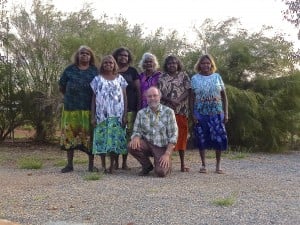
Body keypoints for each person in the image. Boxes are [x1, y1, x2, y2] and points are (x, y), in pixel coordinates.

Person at [59, 45, 98, 173]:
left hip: (88, 109)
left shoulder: (94, 71)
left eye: (87, 53)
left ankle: (91, 165)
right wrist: (70, 97)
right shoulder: (69, 70)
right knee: (69, 136)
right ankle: (69, 164)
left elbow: (98, 90)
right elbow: (62, 86)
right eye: (82, 53)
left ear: (90, 56)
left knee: (89, 137)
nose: (84, 55)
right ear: (78, 55)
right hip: (71, 109)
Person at [190, 54, 228, 174]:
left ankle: (218, 165)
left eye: (208, 63)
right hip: (200, 113)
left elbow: (224, 97)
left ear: (211, 64)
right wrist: (192, 114)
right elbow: (191, 98)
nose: (205, 65)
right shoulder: (194, 78)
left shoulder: (217, 77)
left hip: (216, 112)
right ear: (199, 65)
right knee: (201, 139)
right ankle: (203, 165)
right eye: (203, 63)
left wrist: (226, 113)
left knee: (219, 139)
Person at [128, 86, 178, 177]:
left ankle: (164, 163)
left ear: (159, 97)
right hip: (147, 144)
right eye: (149, 96)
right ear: (146, 98)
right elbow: (136, 130)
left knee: (161, 173)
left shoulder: (169, 112)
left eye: (155, 95)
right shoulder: (141, 113)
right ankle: (147, 166)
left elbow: (174, 136)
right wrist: (135, 137)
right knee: (132, 145)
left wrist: (167, 154)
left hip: (162, 147)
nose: (152, 98)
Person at [90, 55, 128, 173]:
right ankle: (103, 165)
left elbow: (125, 97)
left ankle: (112, 166)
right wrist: (93, 116)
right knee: (102, 140)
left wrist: (125, 115)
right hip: (101, 116)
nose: (108, 64)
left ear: (114, 64)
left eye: (111, 63)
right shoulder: (97, 79)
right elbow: (93, 98)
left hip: (117, 115)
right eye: (105, 63)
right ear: (102, 65)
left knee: (114, 141)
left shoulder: (120, 78)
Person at [158, 55, 191, 172]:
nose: (172, 65)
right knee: (168, 137)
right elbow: (159, 93)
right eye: (169, 63)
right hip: (166, 111)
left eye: (174, 63)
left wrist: (178, 100)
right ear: (166, 65)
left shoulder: (184, 75)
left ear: (178, 64)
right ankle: (168, 162)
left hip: (181, 110)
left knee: (181, 136)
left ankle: (182, 164)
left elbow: (188, 90)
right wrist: (171, 100)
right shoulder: (162, 77)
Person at [112, 47, 141, 170]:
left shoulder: (133, 71)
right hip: (114, 109)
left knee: (127, 136)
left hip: (130, 108)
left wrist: (139, 106)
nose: (123, 57)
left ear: (129, 58)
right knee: (115, 135)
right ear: (116, 56)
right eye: (121, 55)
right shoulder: (111, 70)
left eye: (126, 55)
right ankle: (115, 162)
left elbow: (138, 90)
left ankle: (124, 162)